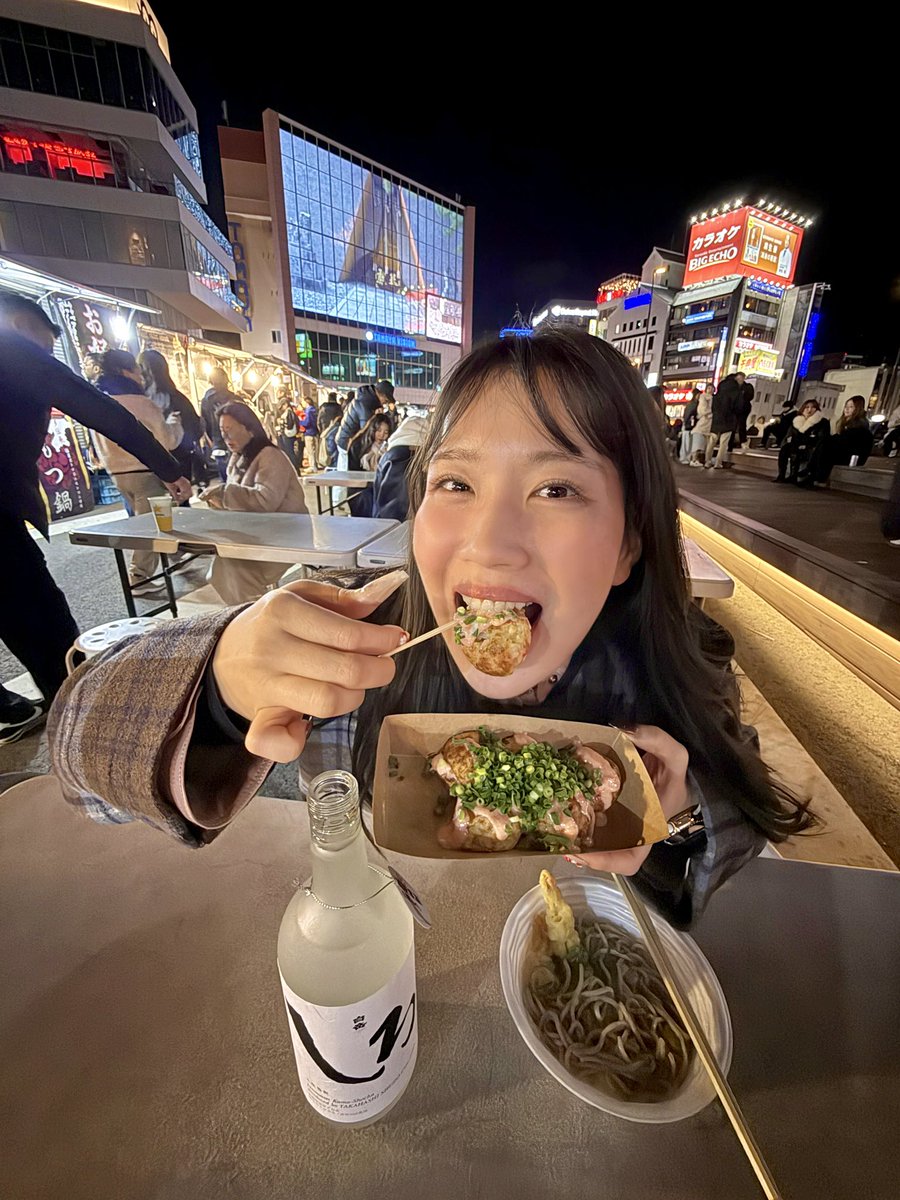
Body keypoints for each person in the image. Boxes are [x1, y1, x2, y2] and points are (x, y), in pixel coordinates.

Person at [48, 330, 813, 927]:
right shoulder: (348, 652)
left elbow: (747, 829)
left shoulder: (671, 668)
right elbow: (80, 770)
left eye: (556, 487)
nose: (488, 542)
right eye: (455, 482)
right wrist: (221, 686)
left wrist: (672, 817)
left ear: (629, 545)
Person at [0, 292, 188, 741]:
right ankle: (89, 728)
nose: (45, 359)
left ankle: (16, 708)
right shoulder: (12, 346)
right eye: (45, 348)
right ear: (23, 324)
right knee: (42, 618)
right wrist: (171, 470)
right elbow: (101, 411)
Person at [200, 402, 308, 605]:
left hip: (288, 534)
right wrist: (218, 500)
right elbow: (238, 502)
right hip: (255, 535)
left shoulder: (270, 456)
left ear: (248, 428)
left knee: (235, 568)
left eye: (230, 430)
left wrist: (226, 493)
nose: (226, 438)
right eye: (223, 432)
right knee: (224, 565)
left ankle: (254, 614)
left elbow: (264, 500)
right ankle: (251, 614)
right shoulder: (237, 458)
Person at [93, 349, 182, 591]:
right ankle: (140, 576)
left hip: (117, 473)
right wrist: (175, 423)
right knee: (152, 526)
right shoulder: (142, 404)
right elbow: (166, 441)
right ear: (125, 372)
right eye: (137, 371)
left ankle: (168, 559)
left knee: (144, 524)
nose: (141, 378)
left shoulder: (100, 401)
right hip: (144, 472)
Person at [139, 349, 204, 495]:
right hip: (180, 459)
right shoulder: (178, 398)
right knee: (181, 500)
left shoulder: (139, 401)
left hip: (148, 461)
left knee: (155, 504)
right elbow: (196, 428)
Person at [370, 413, 428, 520]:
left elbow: (378, 492)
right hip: (415, 525)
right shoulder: (426, 458)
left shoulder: (388, 456)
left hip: (384, 525)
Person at [775, 399, 830, 485]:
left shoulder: (822, 422)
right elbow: (792, 436)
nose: (809, 410)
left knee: (799, 450)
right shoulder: (797, 421)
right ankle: (782, 475)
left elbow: (821, 438)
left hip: (811, 447)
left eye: (813, 407)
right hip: (797, 445)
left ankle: (803, 476)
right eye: (807, 407)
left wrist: (806, 444)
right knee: (785, 448)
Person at [818, 395, 873, 482]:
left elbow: (847, 443)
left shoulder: (859, 426)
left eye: (851, 407)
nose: (847, 409)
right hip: (846, 453)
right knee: (824, 443)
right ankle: (813, 472)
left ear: (857, 409)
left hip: (853, 457)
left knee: (826, 445)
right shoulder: (847, 424)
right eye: (846, 406)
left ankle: (816, 474)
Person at [201, 367, 239, 480]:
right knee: (238, 475)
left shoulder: (206, 401)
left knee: (224, 476)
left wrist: (211, 442)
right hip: (237, 441)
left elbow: (204, 424)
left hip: (217, 443)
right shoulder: (235, 399)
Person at [335, 384, 380, 468]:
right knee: (346, 473)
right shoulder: (364, 406)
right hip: (347, 443)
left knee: (345, 469)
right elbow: (365, 431)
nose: (385, 402)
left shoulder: (363, 401)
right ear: (380, 394)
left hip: (346, 440)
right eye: (386, 399)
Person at [705, 382, 736, 469]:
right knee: (723, 444)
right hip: (727, 423)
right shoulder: (731, 398)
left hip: (715, 422)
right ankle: (718, 463)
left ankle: (707, 461)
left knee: (711, 443)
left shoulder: (714, 398)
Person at [686, 386, 713, 466]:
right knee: (698, 445)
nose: (710, 390)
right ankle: (694, 460)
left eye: (712, 388)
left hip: (705, 426)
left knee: (700, 445)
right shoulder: (703, 397)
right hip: (701, 426)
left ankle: (695, 460)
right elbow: (702, 411)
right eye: (708, 388)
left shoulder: (708, 398)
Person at [275, 391, 302, 470]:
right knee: (290, 452)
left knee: (289, 452)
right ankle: (294, 469)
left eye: (282, 406)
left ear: (286, 405)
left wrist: (281, 423)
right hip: (289, 434)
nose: (281, 408)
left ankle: (295, 469)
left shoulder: (288, 412)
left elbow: (289, 424)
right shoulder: (291, 412)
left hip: (288, 435)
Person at [317, 392, 342, 467]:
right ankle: (333, 465)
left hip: (324, 431)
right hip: (335, 430)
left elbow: (318, 421)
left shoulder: (323, 407)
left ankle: (326, 464)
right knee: (334, 450)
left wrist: (321, 430)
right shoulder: (338, 407)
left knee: (325, 449)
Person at [732, 372, 754, 447]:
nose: (739, 380)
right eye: (738, 378)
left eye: (741, 378)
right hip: (735, 409)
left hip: (744, 408)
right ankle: (732, 442)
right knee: (733, 425)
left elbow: (750, 396)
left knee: (742, 424)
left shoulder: (748, 386)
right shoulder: (733, 387)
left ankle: (743, 441)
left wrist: (742, 395)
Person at [678, 389, 700, 464]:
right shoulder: (693, 404)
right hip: (689, 426)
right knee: (687, 443)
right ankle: (685, 458)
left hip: (688, 425)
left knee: (686, 443)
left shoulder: (690, 404)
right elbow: (688, 415)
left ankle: (684, 458)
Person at [298, 393, 319, 469]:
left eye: (302, 402)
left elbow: (307, 422)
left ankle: (313, 466)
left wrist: (300, 421)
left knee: (310, 451)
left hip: (309, 432)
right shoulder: (315, 410)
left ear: (306, 402)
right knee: (315, 450)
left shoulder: (308, 411)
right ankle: (316, 465)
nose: (301, 403)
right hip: (315, 432)